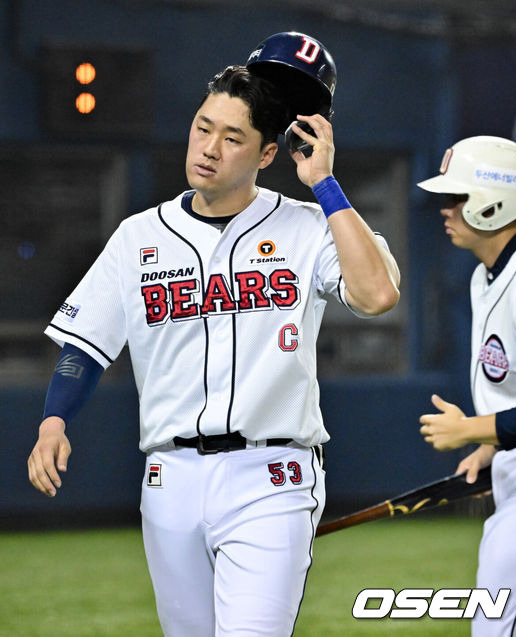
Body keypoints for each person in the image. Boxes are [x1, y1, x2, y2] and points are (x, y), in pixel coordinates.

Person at [27, 32, 400, 637]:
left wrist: (325, 186)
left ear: (265, 155)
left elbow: (377, 295)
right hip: (169, 479)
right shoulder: (138, 236)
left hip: (273, 472)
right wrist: (52, 422)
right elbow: (85, 346)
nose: (209, 149)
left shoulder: (307, 226)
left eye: (232, 139)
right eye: (203, 129)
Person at [418, 135, 516, 636]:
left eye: (457, 196)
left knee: (494, 623)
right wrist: (488, 447)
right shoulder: (484, 278)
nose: (445, 209)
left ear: (495, 202)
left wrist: (472, 430)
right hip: (515, 476)